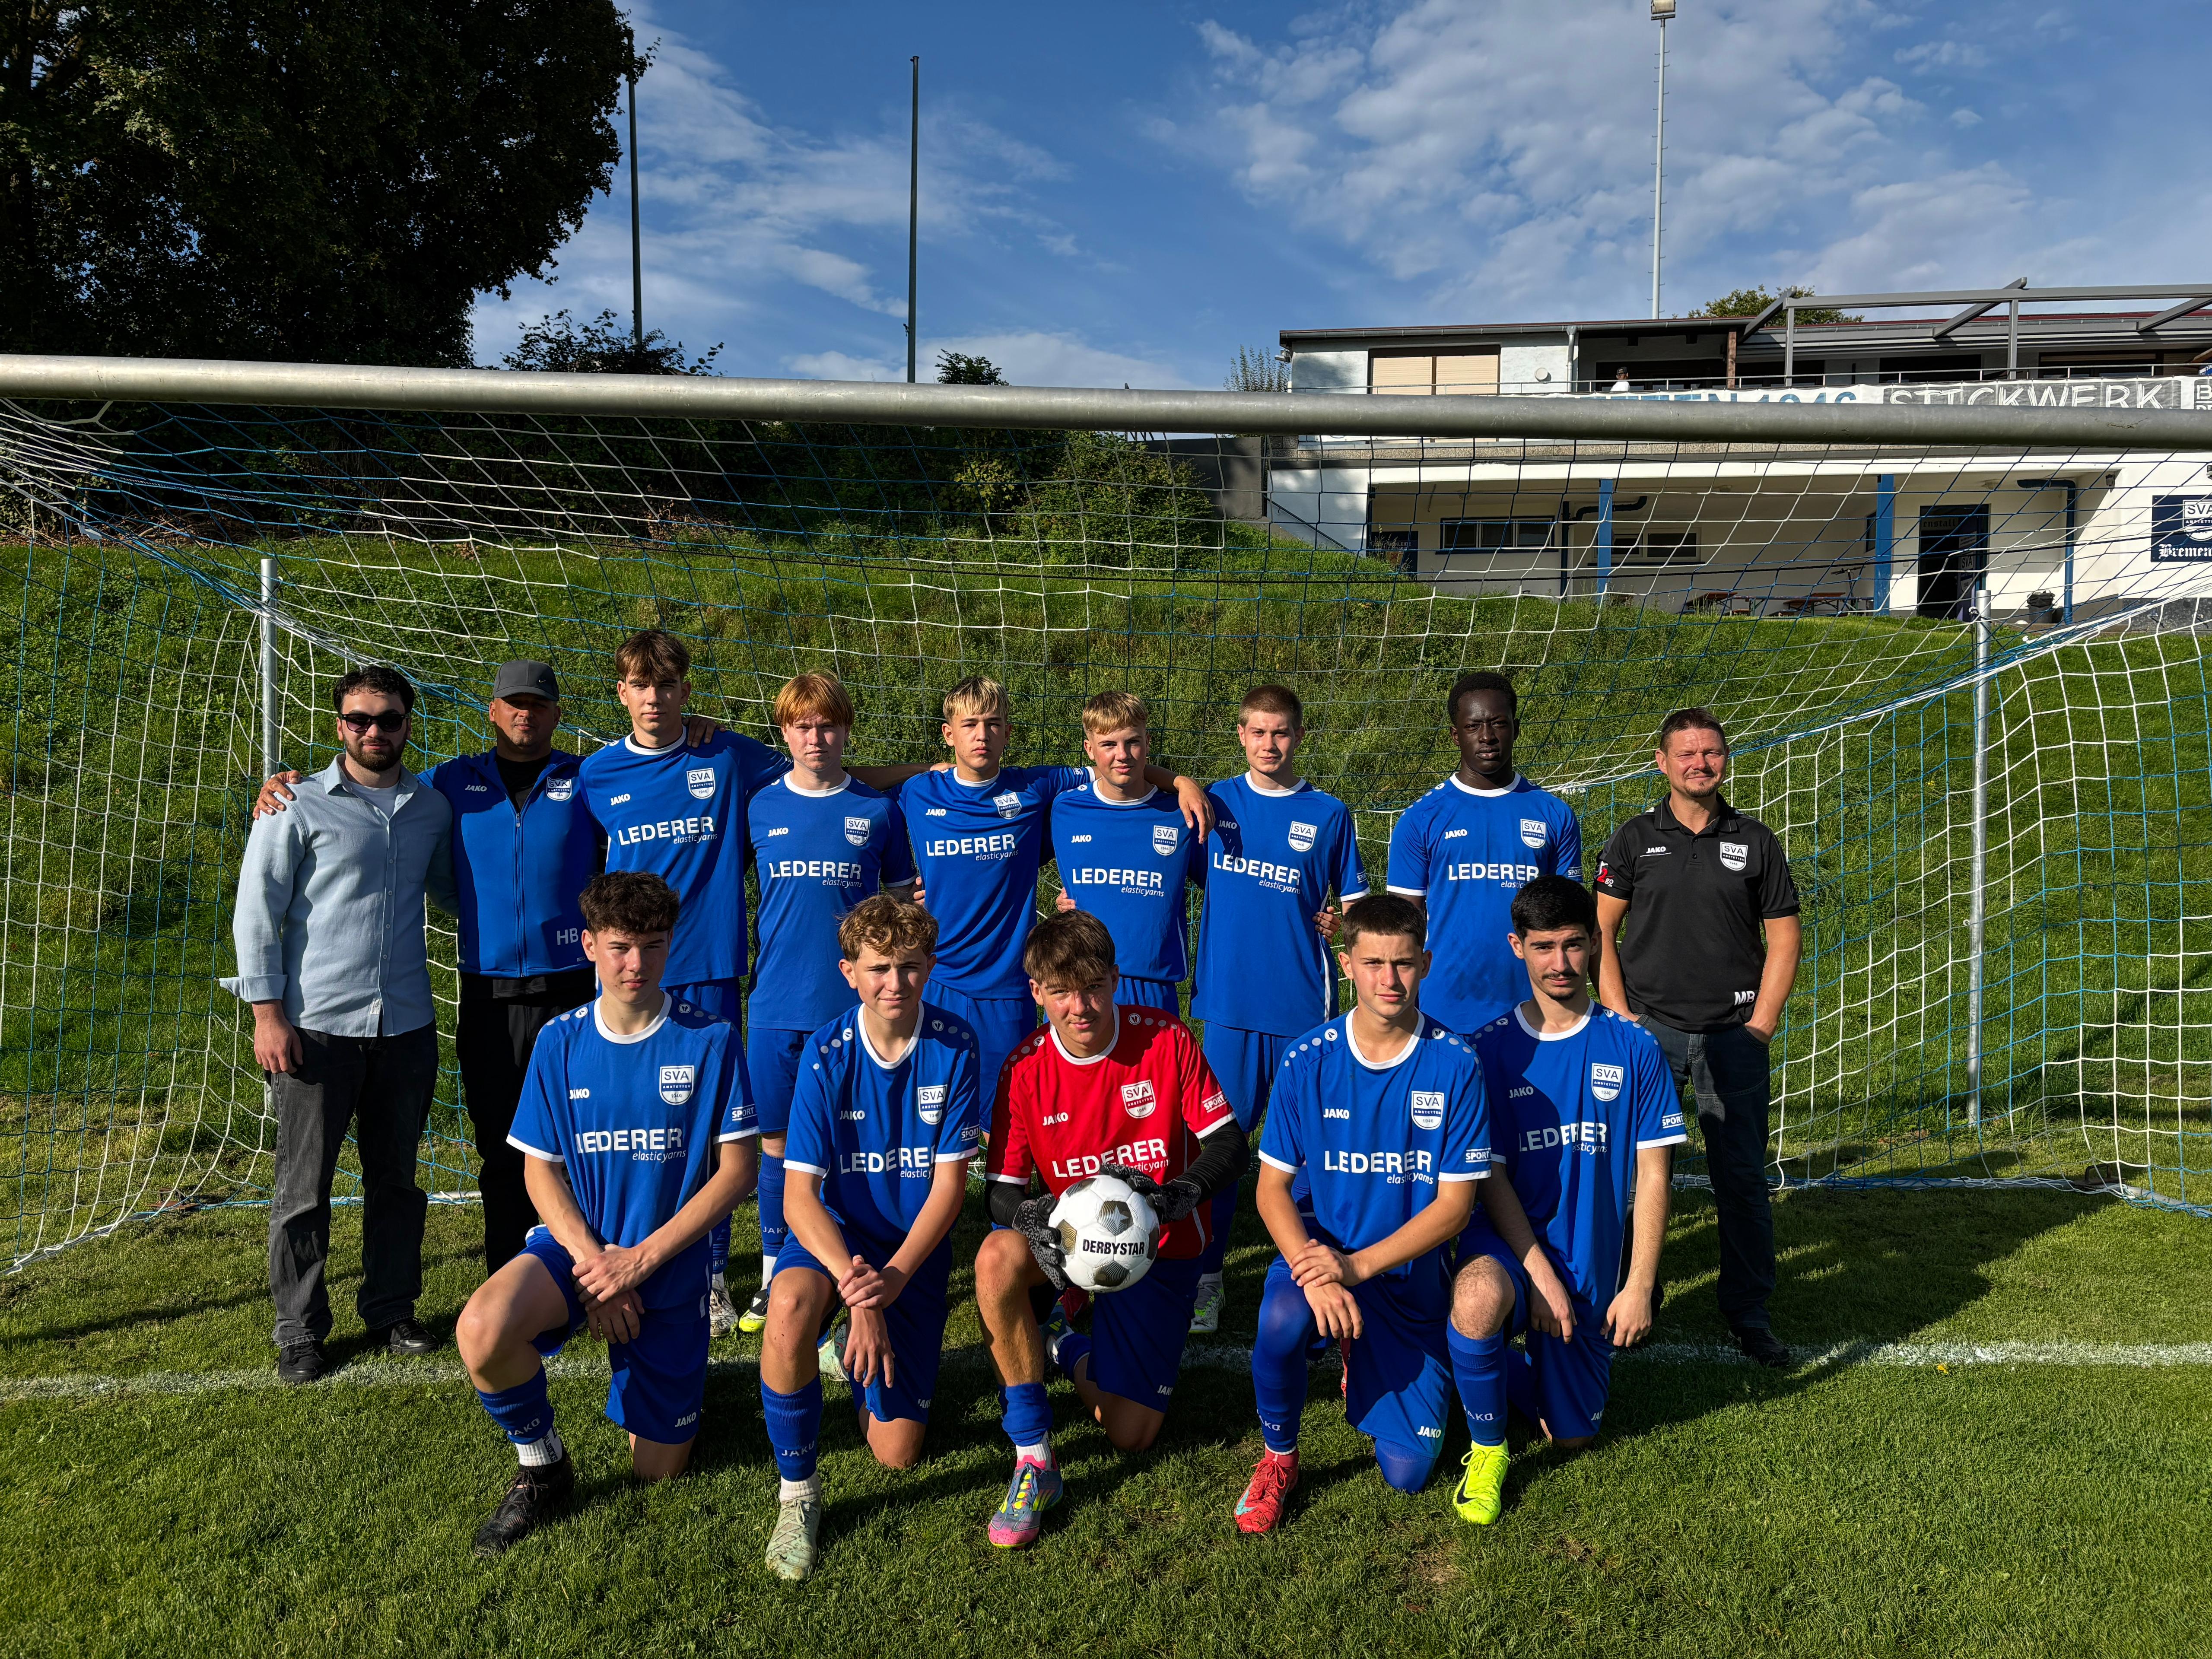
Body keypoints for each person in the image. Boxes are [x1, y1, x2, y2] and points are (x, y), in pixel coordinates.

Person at [247, 658, 719, 1274]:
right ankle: (511, 1273)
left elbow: (657, 772)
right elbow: (430, 862)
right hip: (487, 993)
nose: (526, 714)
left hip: (575, 990)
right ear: (492, 712)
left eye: (539, 704)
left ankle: (599, 1265)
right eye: (513, 703)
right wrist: (279, 787)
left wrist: (693, 728)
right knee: (503, 1145)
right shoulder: (447, 786)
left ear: (557, 714)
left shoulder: (591, 778)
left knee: (589, 1138)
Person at [455, 871, 757, 1556]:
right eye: (620, 947)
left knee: (657, 1471)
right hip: (578, 1253)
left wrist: (640, 1263)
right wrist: (598, 1269)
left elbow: (739, 1171)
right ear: (590, 945)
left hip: (667, 1266)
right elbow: (540, 1167)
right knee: (481, 1328)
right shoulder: (560, 1041)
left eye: (653, 946)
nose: (636, 964)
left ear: (671, 945)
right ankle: (544, 1468)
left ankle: (668, 1376)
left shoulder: (709, 1038)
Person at [977, 910, 1247, 1550]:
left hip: (1164, 1252)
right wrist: (1034, 1221)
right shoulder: (1023, 1069)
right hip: (1073, 1252)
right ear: (1036, 991)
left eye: (1095, 986)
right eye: (1063, 992)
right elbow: (1000, 1194)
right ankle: (1034, 1458)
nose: (1082, 1006)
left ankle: (1067, 1347)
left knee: (1131, 1436)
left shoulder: (1164, 1038)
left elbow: (1230, 1145)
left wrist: (1183, 1192)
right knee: (995, 1257)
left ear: (1116, 979)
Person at [226, 666, 461, 1382]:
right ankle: (300, 1328)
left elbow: (458, 896)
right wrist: (267, 1013)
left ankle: (392, 1309)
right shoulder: (293, 802)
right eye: (359, 719)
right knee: (305, 1189)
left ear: (407, 724)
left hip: (407, 1028)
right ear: (338, 726)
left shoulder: (431, 809)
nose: (374, 732)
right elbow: (256, 912)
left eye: (388, 719)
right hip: (316, 1028)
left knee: (397, 1182)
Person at [1233, 894, 1490, 1534]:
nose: (1389, 980)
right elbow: (1270, 1190)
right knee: (1283, 1316)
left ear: (1426, 963)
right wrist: (1314, 1269)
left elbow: (1456, 1208)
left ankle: (1368, 1353)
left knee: (1408, 1474)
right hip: (1325, 1256)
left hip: (1404, 1278)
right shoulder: (1306, 1059)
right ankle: (1279, 1458)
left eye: (1403, 964)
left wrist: (1356, 1268)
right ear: (1346, 963)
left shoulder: (1456, 1064)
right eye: (1373, 963)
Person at [1446, 876, 1684, 1526]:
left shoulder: (1634, 1048)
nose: (1559, 964)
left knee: (1573, 1437)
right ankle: (1488, 1448)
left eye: (1574, 946)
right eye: (1543, 947)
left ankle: (1466, 1361)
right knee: (1479, 1298)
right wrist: (1539, 1274)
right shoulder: (1487, 1050)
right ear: (1516, 947)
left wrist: (1638, 1286)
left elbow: (1655, 1176)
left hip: (1589, 1263)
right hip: (1508, 1245)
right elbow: (1487, 1178)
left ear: (1595, 947)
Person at [755, 896, 979, 1580]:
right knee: (790, 1305)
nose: (895, 983)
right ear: (849, 971)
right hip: (836, 1246)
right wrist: (861, 1295)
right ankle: (798, 1496)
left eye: (910, 968)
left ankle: (848, 1356)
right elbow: (798, 1198)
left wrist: (895, 1281)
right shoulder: (826, 1051)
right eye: (879, 968)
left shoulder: (956, 1042)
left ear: (931, 966)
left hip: (907, 1258)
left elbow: (949, 1189)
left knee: (897, 1452)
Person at [1593, 708, 1801, 1369]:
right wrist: (1620, 1017)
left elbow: (1785, 937)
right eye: (1686, 754)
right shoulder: (1632, 839)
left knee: (1738, 1178)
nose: (1699, 764)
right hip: (1648, 1033)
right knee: (1631, 1178)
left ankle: (1748, 1313)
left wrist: (1760, 1026)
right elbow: (1598, 933)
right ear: (1662, 762)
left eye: (1711, 753)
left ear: (1725, 761)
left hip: (1731, 1038)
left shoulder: (1756, 840)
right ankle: (1628, 1301)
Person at [901, 675, 1210, 1120]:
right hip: (939, 977)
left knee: (1010, 1110)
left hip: (1009, 981)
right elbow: (847, 789)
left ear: (1008, 732)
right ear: (949, 733)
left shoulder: (1039, 789)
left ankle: (1018, 1189)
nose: (981, 735)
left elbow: (1117, 768)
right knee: (929, 1107)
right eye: (969, 724)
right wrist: (901, 886)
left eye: (992, 723)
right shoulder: (916, 793)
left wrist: (1182, 781)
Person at [734, 672, 917, 1337]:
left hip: (852, 1012)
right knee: (777, 1145)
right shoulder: (756, 805)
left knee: (854, 1141)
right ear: (785, 733)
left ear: (846, 730)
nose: (817, 737)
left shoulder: (877, 812)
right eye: (804, 726)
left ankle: (860, 1271)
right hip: (776, 1005)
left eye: (829, 725)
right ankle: (773, 1271)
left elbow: (900, 910)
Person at [1188, 683, 1367, 1332]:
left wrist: (1339, 925)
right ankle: (1207, 1278)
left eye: (1282, 732)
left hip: (1304, 1013)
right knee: (1221, 1151)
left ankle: (1324, 1271)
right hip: (1230, 1010)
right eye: (1258, 732)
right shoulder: (1212, 802)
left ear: (1300, 736)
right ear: (1240, 734)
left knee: (1316, 1155)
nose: (1270, 744)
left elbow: (1355, 907)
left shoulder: (1328, 813)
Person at [1386, 671, 1580, 1036]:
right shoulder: (1421, 818)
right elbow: (1401, 927)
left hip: (1538, 1010)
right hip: (1444, 1010)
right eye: (1474, 726)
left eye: (1499, 724)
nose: (1488, 737)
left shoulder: (1554, 814)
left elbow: (1571, 919)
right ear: (1456, 735)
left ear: (1516, 728)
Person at [1049, 690, 1207, 1013]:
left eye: (1132, 742)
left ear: (1148, 743)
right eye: (1108, 745)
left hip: (1154, 985)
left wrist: (1182, 782)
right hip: (1082, 980)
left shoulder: (1181, 813)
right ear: (1089, 750)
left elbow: (1227, 883)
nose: (1122, 755)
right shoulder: (1065, 809)